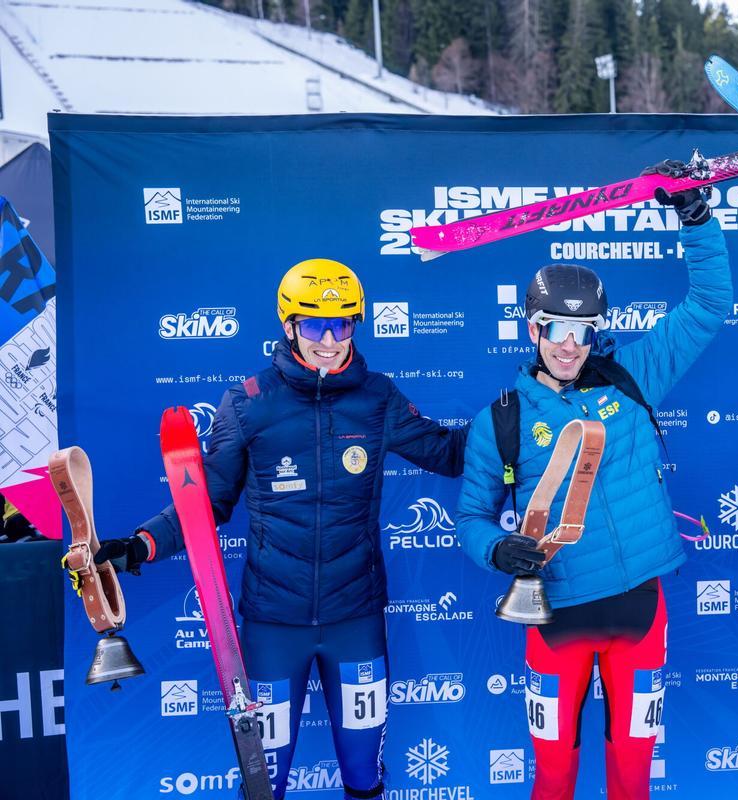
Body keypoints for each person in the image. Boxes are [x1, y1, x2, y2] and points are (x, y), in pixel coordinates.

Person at [93, 259, 467, 800]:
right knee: (263, 781)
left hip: (355, 619)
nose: (330, 340)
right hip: (273, 625)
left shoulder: (377, 398)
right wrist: (141, 544)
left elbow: (448, 453)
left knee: (364, 776)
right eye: (315, 325)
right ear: (289, 326)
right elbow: (206, 504)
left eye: (343, 324)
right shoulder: (248, 402)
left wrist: (511, 424)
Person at [456, 162, 732, 800]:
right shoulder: (501, 419)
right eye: (556, 328)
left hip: (639, 610)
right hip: (556, 620)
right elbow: (471, 518)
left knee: (633, 773)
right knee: (553, 776)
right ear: (534, 328)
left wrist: (696, 219)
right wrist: (497, 549)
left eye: (582, 331)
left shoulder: (631, 378)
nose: (569, 345)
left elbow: (711, 306)